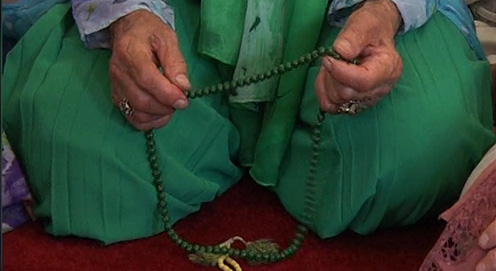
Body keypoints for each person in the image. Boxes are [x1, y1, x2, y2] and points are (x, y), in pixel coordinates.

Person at [2, 0, 494, 246]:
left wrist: (387, 11)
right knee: (80, 155)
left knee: (415, 151)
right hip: (169, 8)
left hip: (357, 9)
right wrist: (126, 17)